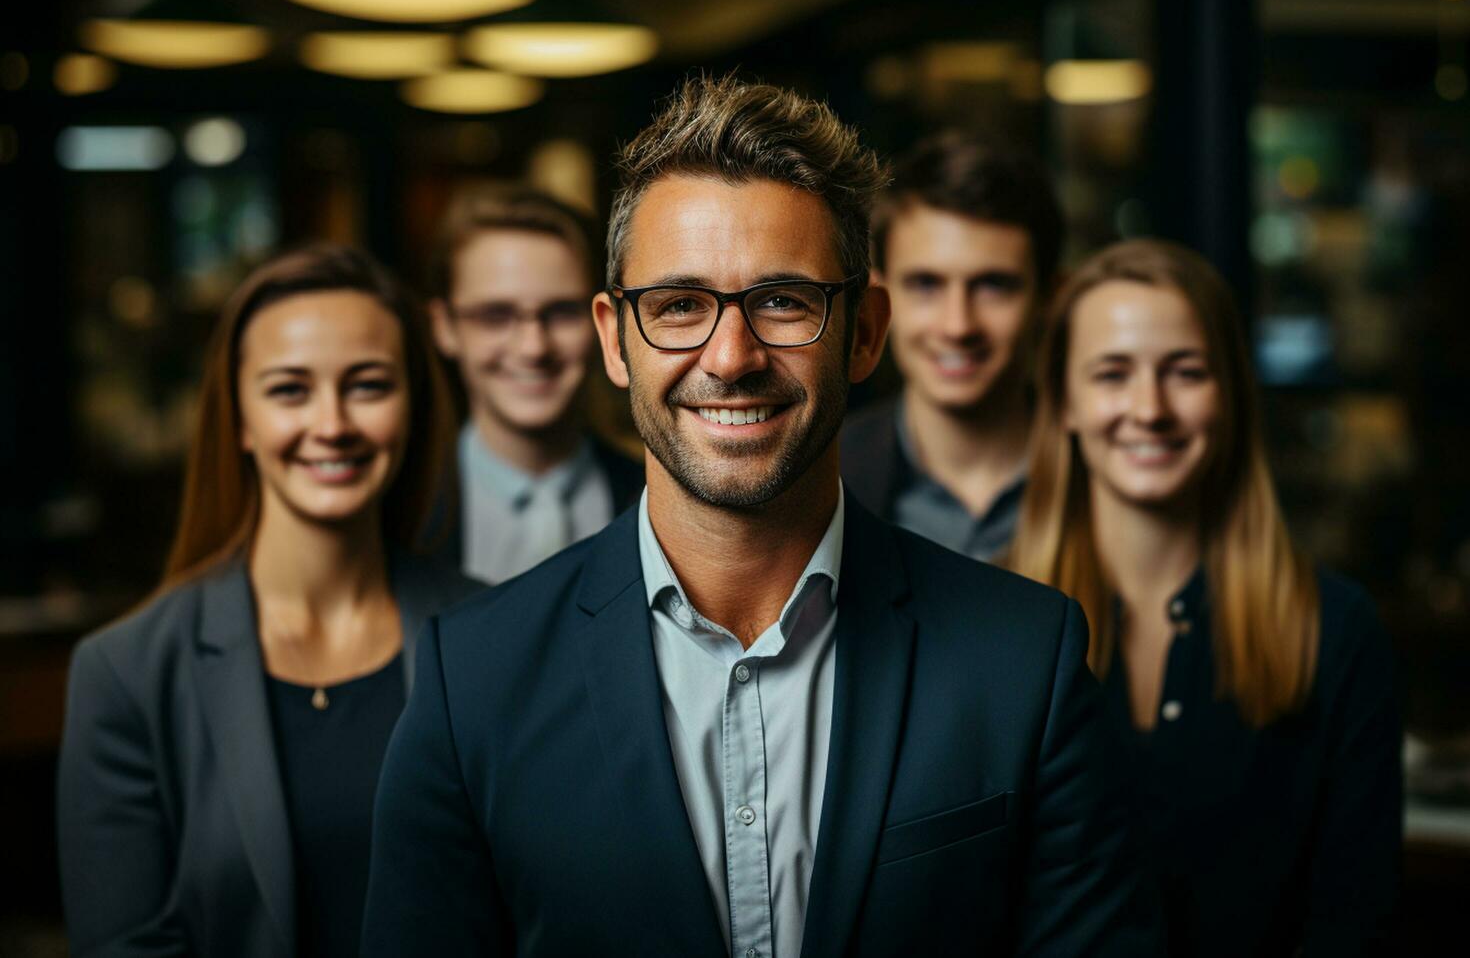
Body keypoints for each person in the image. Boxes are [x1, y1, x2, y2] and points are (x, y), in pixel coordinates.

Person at [363, 75, 1159, 957]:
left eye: (783, 300)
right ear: (612, 339)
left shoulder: (1023, 662)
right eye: (678, 306)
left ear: (864, 332)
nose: (731, 357)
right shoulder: (469, 677)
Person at [57, 245, 482, 958]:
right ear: (241, 420)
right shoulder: (124, 673)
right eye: (289, 389)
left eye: (369, 385)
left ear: (413, 405)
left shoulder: (495, 637)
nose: (332, 423)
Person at [1009, 239, 1401, 956]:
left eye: (1185, 372)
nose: (1150, 408)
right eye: (1112, 373)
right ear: (1064, 400)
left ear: (1231, 396)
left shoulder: (1336, 632)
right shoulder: (990, 627)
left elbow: (1355, 928)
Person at [842, 131, 1062, 562]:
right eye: (926, 284)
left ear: (1050, 300)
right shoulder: (821, 478)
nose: (958, 325)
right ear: (878, 303)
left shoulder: (1107, 474)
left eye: (994, 286)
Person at [427, 183, 643, 583]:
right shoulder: (401, 512)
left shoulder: (652, 497)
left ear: (604, 324)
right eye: (495, 315)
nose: (533, 348)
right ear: (445, 327)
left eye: (561, 312)